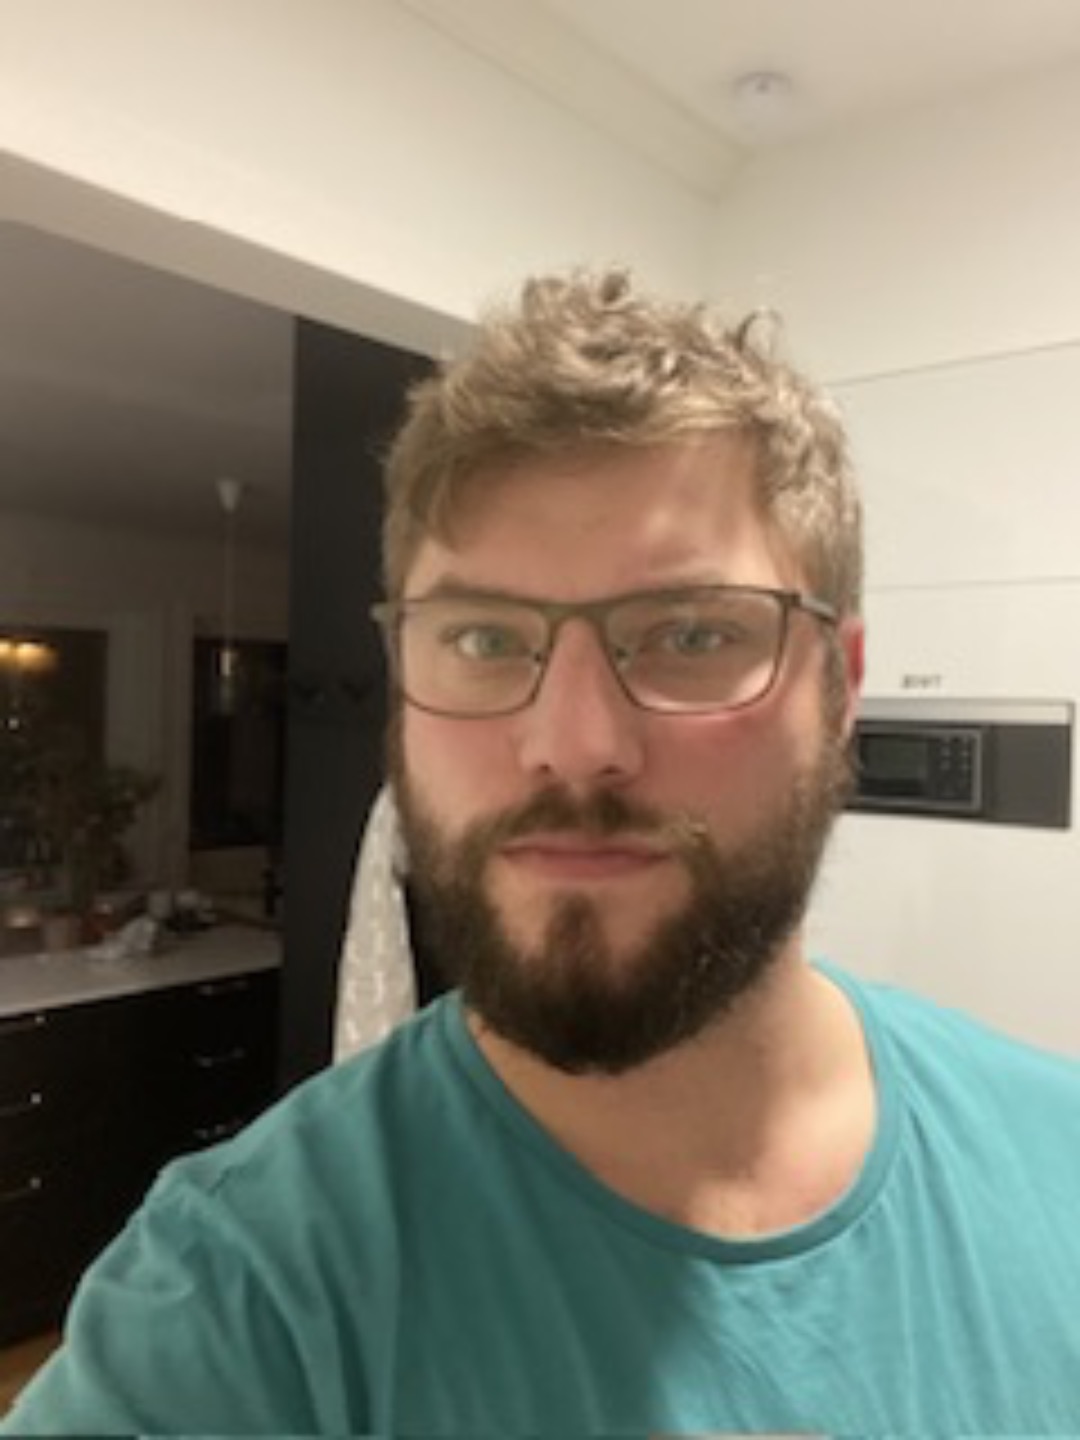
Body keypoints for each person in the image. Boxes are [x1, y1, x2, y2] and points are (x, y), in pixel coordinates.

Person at [7, 269, 1080, 1436]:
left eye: (691, 633)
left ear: (841, 688)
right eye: (481, 637)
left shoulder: (1056, 1163)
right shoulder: (240, 1294)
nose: (572, 746)